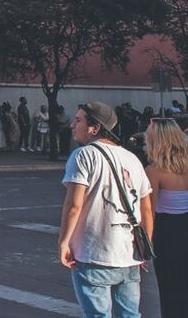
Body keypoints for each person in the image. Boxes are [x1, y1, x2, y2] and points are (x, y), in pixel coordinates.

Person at [59, 101, 152, 318]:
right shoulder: (132, 158)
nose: (72, 125)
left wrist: (64, 241)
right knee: (130, 314)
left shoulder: (83, 155)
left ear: (94, 127)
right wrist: (145, 246)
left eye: (78, 120)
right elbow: (146, 208)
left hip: (94, 253)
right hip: (129, 253)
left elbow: (73, 205)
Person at [144, 117, 188, 317]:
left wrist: (145, 243)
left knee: (169, 285)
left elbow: (149, 210)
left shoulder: (153, 171)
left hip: (167, 230)